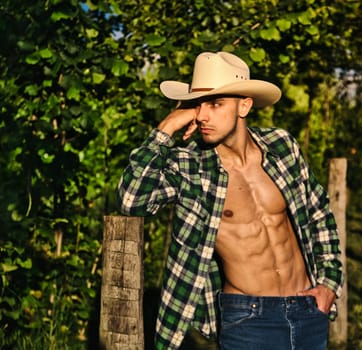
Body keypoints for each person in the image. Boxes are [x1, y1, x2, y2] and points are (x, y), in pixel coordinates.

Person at [117, 51, 344, 350]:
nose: (202, 115)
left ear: (245, 105)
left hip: (307, 308)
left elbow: (318, 213)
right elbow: (132, 199)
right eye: (196, 105)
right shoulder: (189, 165)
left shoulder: (281, 145)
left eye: (215, 103)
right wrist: (166, 128)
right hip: (247, 318)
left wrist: (328, 284)